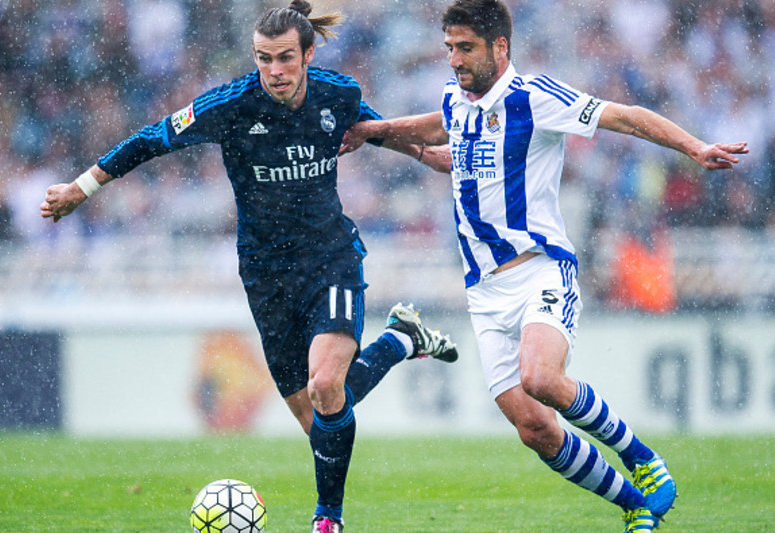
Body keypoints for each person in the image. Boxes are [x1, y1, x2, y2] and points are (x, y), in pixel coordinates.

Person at [40, 2, 457, 532]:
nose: (275, 71)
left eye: (285, 59)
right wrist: (81, 187)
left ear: (308, 54)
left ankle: (328, 519)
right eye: (264, 59)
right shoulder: (231, 105)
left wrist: (427, 155)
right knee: (319, 419)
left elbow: (374, 128)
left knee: (328, 387)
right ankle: (401, 339)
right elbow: (151, 139)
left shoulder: (338, 93)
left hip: (330, 258)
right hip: (265, 274)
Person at [340, 0, 749, 531]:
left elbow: (623, 116)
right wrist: (378, 131)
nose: (454, 60)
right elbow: (440, 132)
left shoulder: (533, 97)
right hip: (484, 293)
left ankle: (642, 457)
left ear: (500, 47)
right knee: (535, 428)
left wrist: (693, 146)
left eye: (465, 48)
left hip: (539, 269)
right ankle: (636, 507)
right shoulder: (455, 101)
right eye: (450, 48)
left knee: (541, 378)